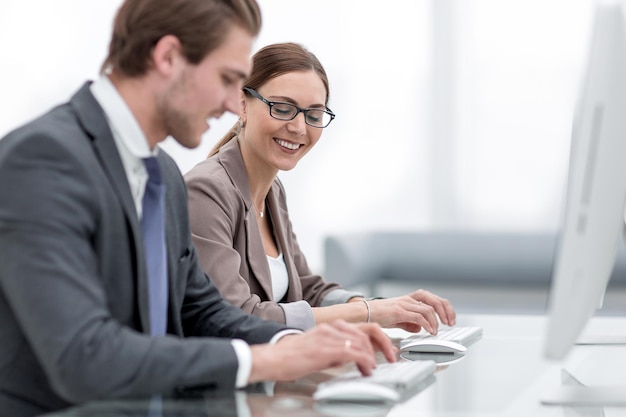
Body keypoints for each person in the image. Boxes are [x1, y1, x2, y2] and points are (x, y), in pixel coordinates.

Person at [0, 2, 396, 416]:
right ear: (168, 57)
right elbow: (83, 354)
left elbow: (203, 310)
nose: (232, 104)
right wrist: (262, 360)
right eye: (228, 79)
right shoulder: (43, 158)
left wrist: (293, 343)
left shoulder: (163, 176)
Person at [184, 42, 457, 333]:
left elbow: (307, 287)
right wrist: (368, 312)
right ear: (242, 105)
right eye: (283, 108)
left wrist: (387, 307)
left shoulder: (272, 190)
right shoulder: (206, 192)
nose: (300, 128)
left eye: (313, 115)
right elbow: (237, 315)